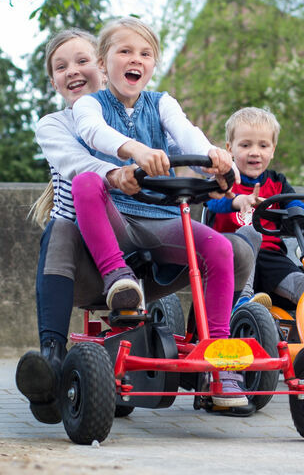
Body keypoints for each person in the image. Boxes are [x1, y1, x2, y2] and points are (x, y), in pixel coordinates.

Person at [16, 28, 258, 424]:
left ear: (97, 63)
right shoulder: (68, 120)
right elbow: (85, 158)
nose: (73, 71)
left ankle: (216, 356)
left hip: (148, 243)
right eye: (62, 67)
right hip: (88, 253)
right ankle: (52, 359)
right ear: (108, 60)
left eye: (81, 61)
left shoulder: (159, 106)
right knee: (69, 212)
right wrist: (124, 165)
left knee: (229, 247)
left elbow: (186, 140)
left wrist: (215, 160)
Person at [206, 107, 304, 343]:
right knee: (250, 232)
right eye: (245, 145)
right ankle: (244, 301)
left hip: (272, 262)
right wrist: (236, 201)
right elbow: (212, 204)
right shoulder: (222, 181)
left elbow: (297, 210)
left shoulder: (277, 182)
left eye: (263, 146)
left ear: (272, 150)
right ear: (230, 149)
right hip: (233, 264)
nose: (255, 152)